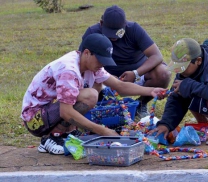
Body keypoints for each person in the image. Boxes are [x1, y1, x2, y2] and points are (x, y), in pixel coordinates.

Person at [21, 33, 167, 155]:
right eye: (101, 60)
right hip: (35, 120)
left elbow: (119, 86)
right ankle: (52, 137)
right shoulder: (69, 70)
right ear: (87, 53)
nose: (102, 64)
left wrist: (151, 90)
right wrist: (103, 131)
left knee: (90, 94)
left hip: (49, 112)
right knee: (90, 95)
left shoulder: (90, 65)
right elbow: (66, 112)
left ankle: (66, 133)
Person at [79, 5, 171, 119]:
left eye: (118, 32)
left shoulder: (134, 29)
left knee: (163, 73)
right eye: (109, 32)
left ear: (125, 25)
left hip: (136, 75)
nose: (113, 37)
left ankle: (141, 105)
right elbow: (82, 61)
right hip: (103, 78)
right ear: (101, 23)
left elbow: (156, 56)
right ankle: (100, 106)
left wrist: (136, 73)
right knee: (87, 81)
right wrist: (106, 76)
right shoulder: (93, 33)